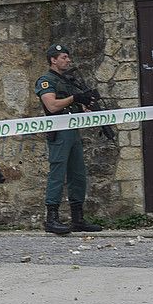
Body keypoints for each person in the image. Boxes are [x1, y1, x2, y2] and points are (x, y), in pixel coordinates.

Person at [35, 44, 103, 236]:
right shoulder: (46, 80)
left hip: (73, 130)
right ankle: (52, 218)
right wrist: (74, 98)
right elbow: (52, 105)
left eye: (68, 57)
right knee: (57, 172)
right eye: (63, 57)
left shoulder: (67, 80)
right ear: (53, 60)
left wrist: (84, 104)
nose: (68, 60)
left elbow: (74, 105)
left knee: (78, 173)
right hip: (59, 130)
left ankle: (77, 218)